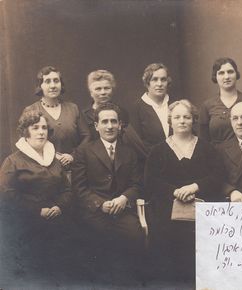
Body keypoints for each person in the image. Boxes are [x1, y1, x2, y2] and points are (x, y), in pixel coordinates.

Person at [144, 99, 223, 281]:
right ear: (170, 121)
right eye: (177, 117)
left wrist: (194, 187)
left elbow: (218, 176)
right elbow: (151, 181)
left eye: (186, 117)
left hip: (201, 209)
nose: (182, 121)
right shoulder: (158, 151)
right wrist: (175, 191)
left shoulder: (207, 148)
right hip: (168, 211)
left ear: (193, 120)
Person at [71, 103, 145, 283]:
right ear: (96, 126)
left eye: (114, 121)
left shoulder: (130, 152)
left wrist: (124, 198)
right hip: (95, 212)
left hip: (123, 210)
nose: (109, 126)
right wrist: (100, 204)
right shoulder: (84, 152)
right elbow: (79, 188)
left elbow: (137, 184)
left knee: (135, 236)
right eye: (104, 122)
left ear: (120, 125)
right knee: (96, 241)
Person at [0, 109, 75, 277]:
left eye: (44, 128)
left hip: (58, 219)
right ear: (26, 132)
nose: (41, 132)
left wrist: (59, 207)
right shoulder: (13, 161)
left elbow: (67, 189)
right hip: (26, 223)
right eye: (35, 128)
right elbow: (6, 195)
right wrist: (37, 210)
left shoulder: (54, 160)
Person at [22, 66, 90, 169]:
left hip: (74, 168)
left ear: (61, 84)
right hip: (44, 169)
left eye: (56, 81)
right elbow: (24, 141)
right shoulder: (31, 110)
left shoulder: (73, 108)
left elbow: (87, 136)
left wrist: (73, 156)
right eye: (47, 81)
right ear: (40, 86)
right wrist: (50, 156)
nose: (53, 85)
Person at [199, 57, 242, 145]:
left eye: (230, 72)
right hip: (216, 155)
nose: (226, 76)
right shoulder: (207, 106)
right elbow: (203, 140)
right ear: (215, 77)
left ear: (236, 74)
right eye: (221, 73)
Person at [82, 69, 147, 158]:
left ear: (112, 90)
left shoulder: (122, 113)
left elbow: (129, 141)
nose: (103, 92)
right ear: (91, 92)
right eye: (98, 89)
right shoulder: (83, 116)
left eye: (107, 88)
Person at [128, 63, 173, 152]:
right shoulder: (137, 108)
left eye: (163, 79)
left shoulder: (175, 104)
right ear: (147, 82)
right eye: (154, 79)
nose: (159, 84)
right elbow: (137, 143)